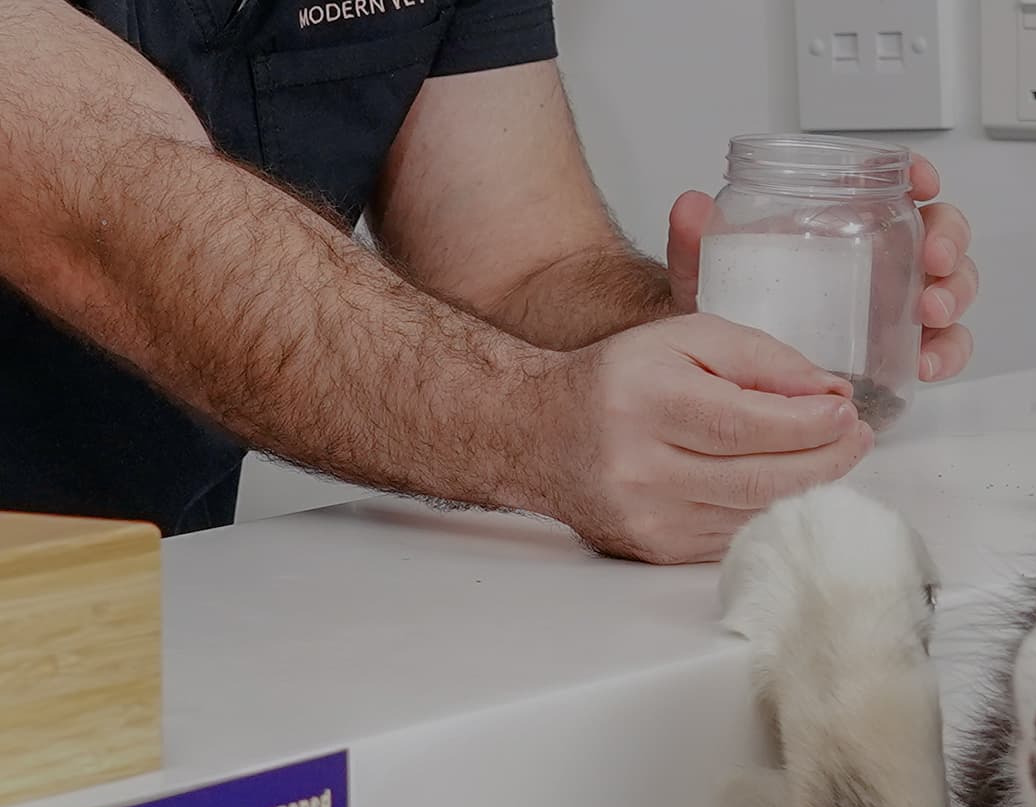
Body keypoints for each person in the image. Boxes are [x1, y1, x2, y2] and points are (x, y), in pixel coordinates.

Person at [0, 0, 980, 563]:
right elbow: (99, 210)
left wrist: (707, 338)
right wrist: (530, 425)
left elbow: (524, 261)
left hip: (149, 607)